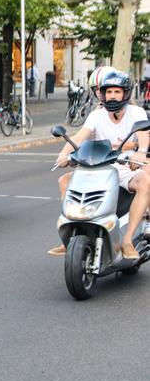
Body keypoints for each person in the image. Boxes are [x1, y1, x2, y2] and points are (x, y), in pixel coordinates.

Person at [48, 70, 150, 260]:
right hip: (100, 165)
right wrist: (64, 154)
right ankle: (70, 238)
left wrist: (140, 152)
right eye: (108, 92)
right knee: (65, 180)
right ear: (102, 94)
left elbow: (143, 136)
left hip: (126, 165)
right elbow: (79, 137)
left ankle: (127, 241)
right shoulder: (97, 115)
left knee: (145, 181)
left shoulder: (136, 112)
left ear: (125, 93)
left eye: (117, 92)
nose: (112, 96)